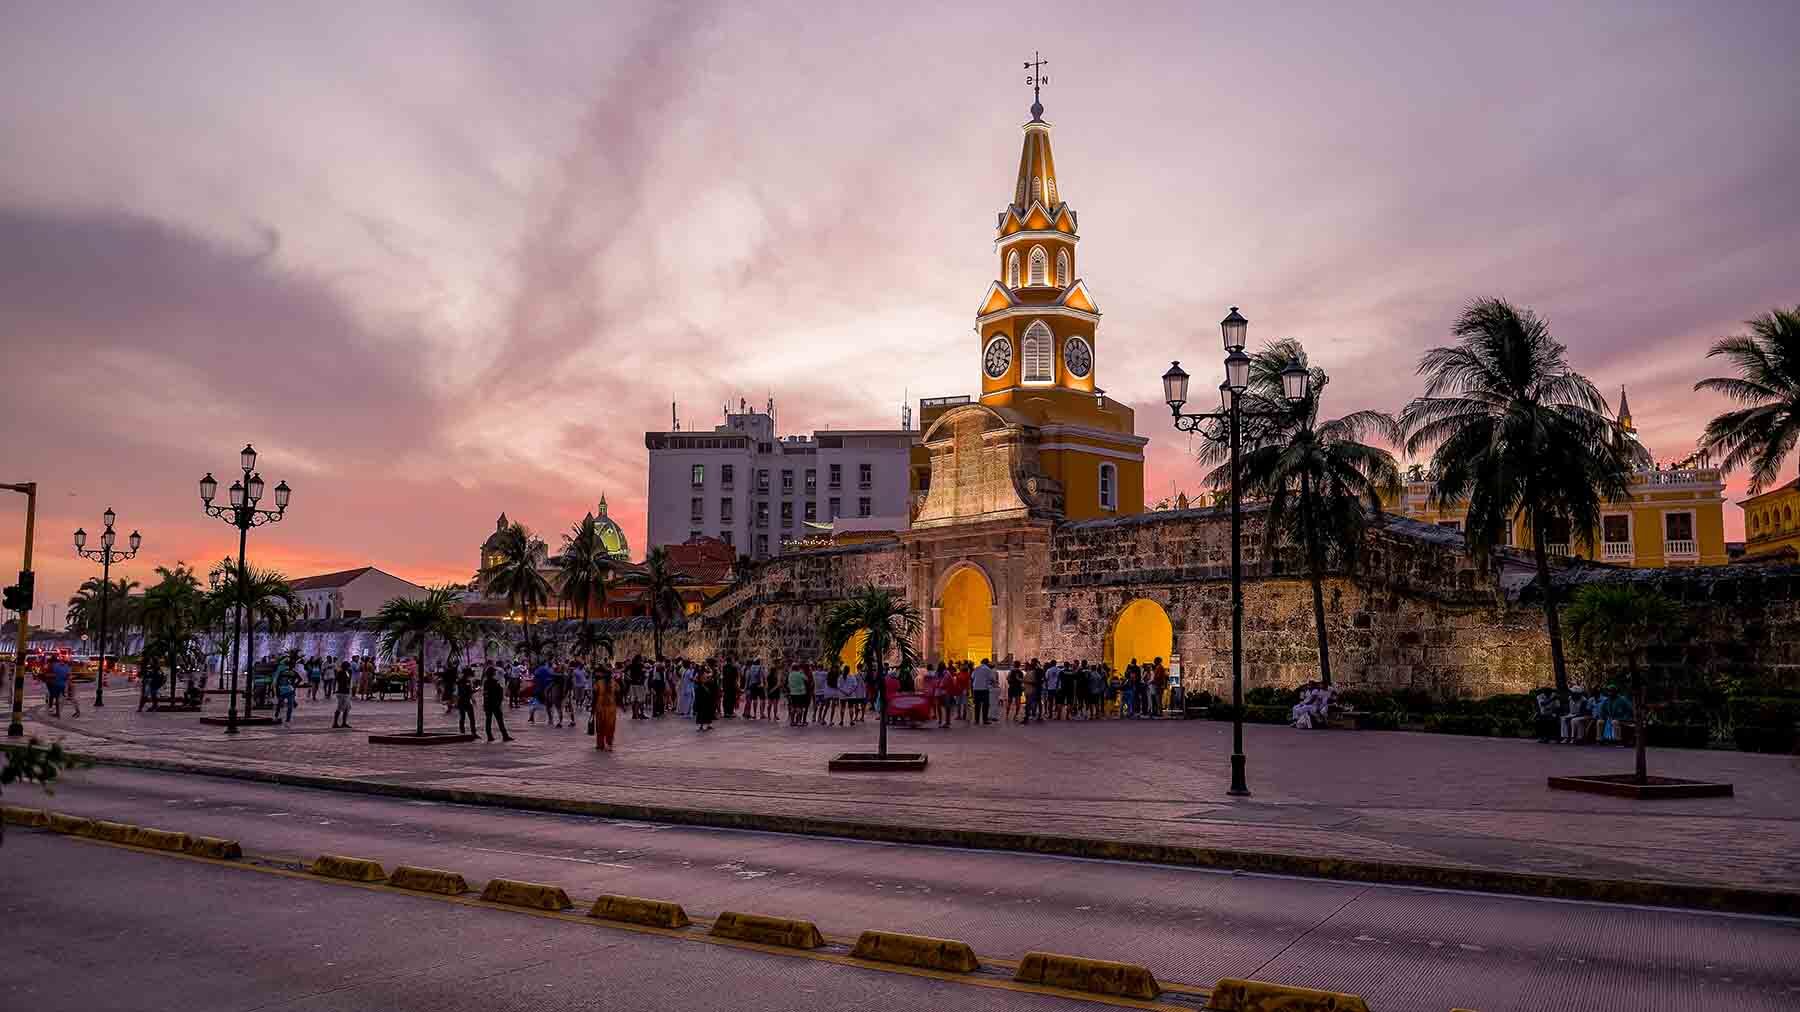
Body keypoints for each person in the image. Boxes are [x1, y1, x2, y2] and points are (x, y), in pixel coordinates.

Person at [482, 664, 512, 742]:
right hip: (495, 705)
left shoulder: (486, 683)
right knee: (499, 721)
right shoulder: (495, 683)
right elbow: (499, 694)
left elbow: (485, 694)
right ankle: (505, 736)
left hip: (488, 704)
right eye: (494, 672)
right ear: (493, 673)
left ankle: (489, 736)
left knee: (488, 720)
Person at [593, 664, 618, 751]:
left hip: (600, 707)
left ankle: (600, 744)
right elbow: (619, 693)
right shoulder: (614, 683)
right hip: (611, 708)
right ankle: (609, 744)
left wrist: (592, 708)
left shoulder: (598, 683)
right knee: (610, 727)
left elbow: (595, 695)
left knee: (600, 726)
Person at [970, 657, 994, 725]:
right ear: (987, 663)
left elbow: (972, 677)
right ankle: (985, 720)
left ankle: (976, 720)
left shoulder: (976, 668)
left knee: (977, 705)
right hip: (984, 689)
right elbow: (991, 679)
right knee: (985, 705)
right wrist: (992, 683)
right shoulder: (988, 669)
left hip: (976, 689)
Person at [455, 667, 479, 737]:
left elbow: (457, 692)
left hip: (461, 701)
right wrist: (477, 689)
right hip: (466, 701)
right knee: (471, 718)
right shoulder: (467, 681)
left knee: (462, 717)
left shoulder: (459, 681)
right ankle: (473, 732)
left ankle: (462, 732)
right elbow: (470, 691)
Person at [275, 660, 299, 724]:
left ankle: (284, 718)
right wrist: (295, 684)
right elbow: (278, 681)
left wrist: (294, 684)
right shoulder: (292, 672)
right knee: (283, 705)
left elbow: (278, 682)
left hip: (286, 691)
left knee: (284, 705)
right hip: (287, 691)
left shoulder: (284, 672)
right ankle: (283, 718)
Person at [332, 660, 354, 729]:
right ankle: (335, 723)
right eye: (347, 666)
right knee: (340, 707)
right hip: (342, 692)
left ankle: (344, 723)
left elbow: (349, 680)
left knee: (347, 708)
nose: (349, 667)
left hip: (347, 692)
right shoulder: (341, 672)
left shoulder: (347, 672)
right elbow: (338, 681)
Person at [694, 667, 717, 732]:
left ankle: (707, 725)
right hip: (702, 695)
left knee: (706, 710)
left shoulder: (705, 675)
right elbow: (701, 682)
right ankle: (703, 725)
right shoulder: (702, 675)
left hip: (705, 695)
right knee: (703, 711)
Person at [787, 661, 809, 727]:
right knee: (800, 707)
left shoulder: (790, 674)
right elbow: (807, 679)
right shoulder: (800, 674)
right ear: (798, 668)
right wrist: (802, 672)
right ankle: (799, 721)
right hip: (801, 693)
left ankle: (792, 721)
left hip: (793, 693)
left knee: (793, 707)